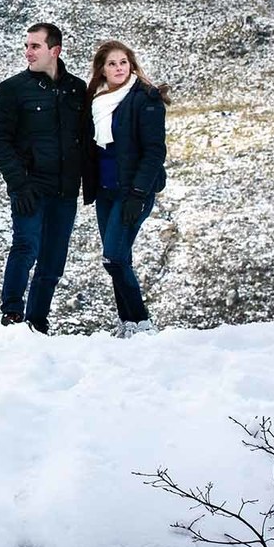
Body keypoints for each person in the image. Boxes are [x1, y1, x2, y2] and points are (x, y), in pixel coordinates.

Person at [0, 22, 86, 333]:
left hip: (66, 189)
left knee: (53, 260)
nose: (27, 52)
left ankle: (37, 322)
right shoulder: (12, 89)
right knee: (25, 246)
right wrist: (18, 183)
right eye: (27, 45)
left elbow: (88, 136)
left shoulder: (77, 89)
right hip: (29, 185)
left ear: (54, 50)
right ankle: (12, 316)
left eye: (35, 46)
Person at [81, 40, 170, 338]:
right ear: (102, 70)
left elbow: (155, 152)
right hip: (106, 192)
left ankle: (142, 322)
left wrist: (137, 194)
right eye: (112, 64)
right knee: (117, 259)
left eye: (123, 62)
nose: (119, 68)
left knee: (115, 256)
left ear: (131, 65)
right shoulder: (97, 101)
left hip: (133, 192)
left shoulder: (146, 98)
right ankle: (128, 323)